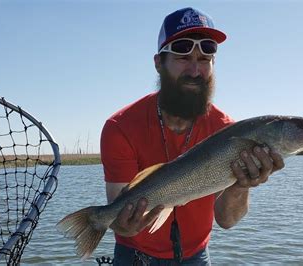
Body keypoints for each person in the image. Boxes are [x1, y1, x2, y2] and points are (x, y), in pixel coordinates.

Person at [101, 7, 284, 265]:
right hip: (134, 256)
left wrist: (242, 185)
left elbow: (228, 220)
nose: (195, 71)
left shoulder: (226, 130)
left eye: (204, 60)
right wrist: (123, 225)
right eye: (183, 57)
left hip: (196, 256)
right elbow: (120, 219)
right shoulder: (120, 127)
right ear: (158, 63)